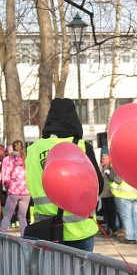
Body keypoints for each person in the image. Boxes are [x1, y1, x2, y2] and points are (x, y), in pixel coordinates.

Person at [25, 98, 103, 251]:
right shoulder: (82, 147)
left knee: (51, 274)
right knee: (82, 274)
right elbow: (98, 186)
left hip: (47, 229)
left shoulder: (33, 149)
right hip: (80, 229)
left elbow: (31, 184)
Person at [0, 140, 31, 234]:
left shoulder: (7, 160)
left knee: (7, 216)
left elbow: (5, 177)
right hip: (25, 191)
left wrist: (7, 185)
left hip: (13, 191)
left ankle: (2, 236)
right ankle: (24, 237)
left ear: (12, 147)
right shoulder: (26, 158)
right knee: (22, 216)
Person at [107, 163, 137, 244]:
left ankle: (129, 237)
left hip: (125, 194)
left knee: (127, 217)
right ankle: (136, 237)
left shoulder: (122, 164)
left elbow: (117, 180)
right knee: (136, 216)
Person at [98, 150, 121, 236]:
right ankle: (109, 228)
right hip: (103, 194)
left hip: (111, 193)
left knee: (112, 212)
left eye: (105, 157)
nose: (103, 159)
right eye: (102, 157)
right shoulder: (100, 167)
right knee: (106, 213)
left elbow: (113, 178)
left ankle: (114, 228)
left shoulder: (111, 167)